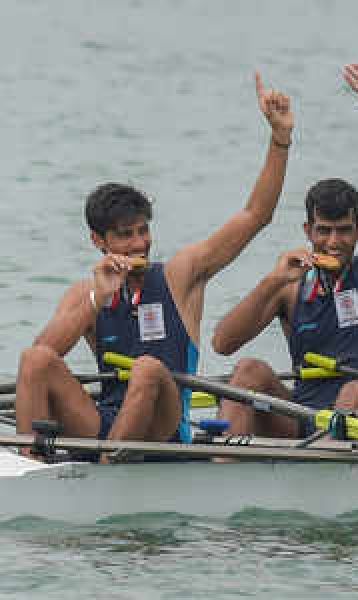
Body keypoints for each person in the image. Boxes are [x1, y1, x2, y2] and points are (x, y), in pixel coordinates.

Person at [15, 72, 294, 450]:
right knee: (34, 359)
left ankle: (110, 464)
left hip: (165, 429)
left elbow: (255, 216)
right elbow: (41, 359)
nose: (139, 244)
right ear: (99, 241)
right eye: (125, 235)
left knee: (147, 368)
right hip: (104, 421)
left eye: (142, 231)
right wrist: (98, 299)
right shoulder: (86, 294)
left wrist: (280, 138)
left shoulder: (180, 276)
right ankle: (31, 463)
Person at [212, 63, 358, 438]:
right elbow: (222, 343)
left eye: (344, 231)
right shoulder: (291, 286)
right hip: (305, 421)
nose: (333, 242)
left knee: (355, 390)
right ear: (308, 231)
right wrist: (273, 280)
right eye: (323, 231)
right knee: (248, 371)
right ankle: (225, 463)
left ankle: (326, 458)